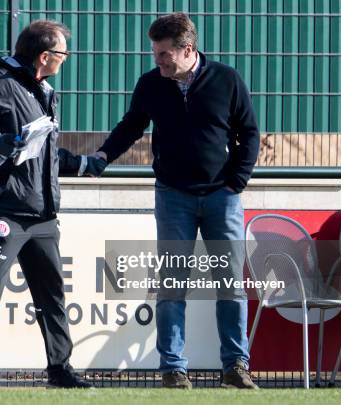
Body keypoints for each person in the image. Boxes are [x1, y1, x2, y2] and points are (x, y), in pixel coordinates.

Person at [94, 13, 260, 389]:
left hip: (222, 197)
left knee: (230, 284)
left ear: (188, 49)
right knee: (172, 285)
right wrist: (103, 156)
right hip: (173, 198)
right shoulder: (151, 84)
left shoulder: (226, 79)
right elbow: (130, 126)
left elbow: (249, 133)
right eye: (155, 53)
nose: (158, 60)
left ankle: (235, 365)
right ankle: (173, 368)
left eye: (164, 53)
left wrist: (236, 181)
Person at [0, 19, 106, 389]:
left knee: (52, 295)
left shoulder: (43, 91)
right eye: (63, 54)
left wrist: (82, 164)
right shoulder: (0, 81)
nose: (66, 61)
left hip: (43, 214)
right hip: (3, 210)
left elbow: (41, 151)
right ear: (45, 56)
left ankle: (60, 370)